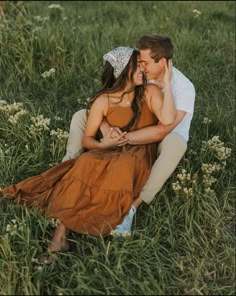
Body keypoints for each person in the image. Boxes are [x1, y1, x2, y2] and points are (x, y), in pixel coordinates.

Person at [2, 46, 176, 264]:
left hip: (138, 150)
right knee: (86, 162)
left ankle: (84, 224)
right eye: (137, 67)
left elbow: (168, 120)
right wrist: (105, 144)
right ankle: (60, 236)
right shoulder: (104, 101)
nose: (143, 70)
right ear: (122, 72)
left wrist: (166, 84)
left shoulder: (150, 92)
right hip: (109, 148)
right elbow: (88, 141)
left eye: (142, 65)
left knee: (122, 167)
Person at [62, 34, 196, 235]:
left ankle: (133, 207)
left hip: (163, 137)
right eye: (138, 61)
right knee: (82, 115)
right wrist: (107, 127)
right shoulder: (142, 74)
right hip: (131, 128)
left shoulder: (184, 88)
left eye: (144, 62)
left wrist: (122, 138)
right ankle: (66, 168)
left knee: (176, 144)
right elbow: (112, 98)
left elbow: (163, 129)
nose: (140, 66)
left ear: (163, 63)